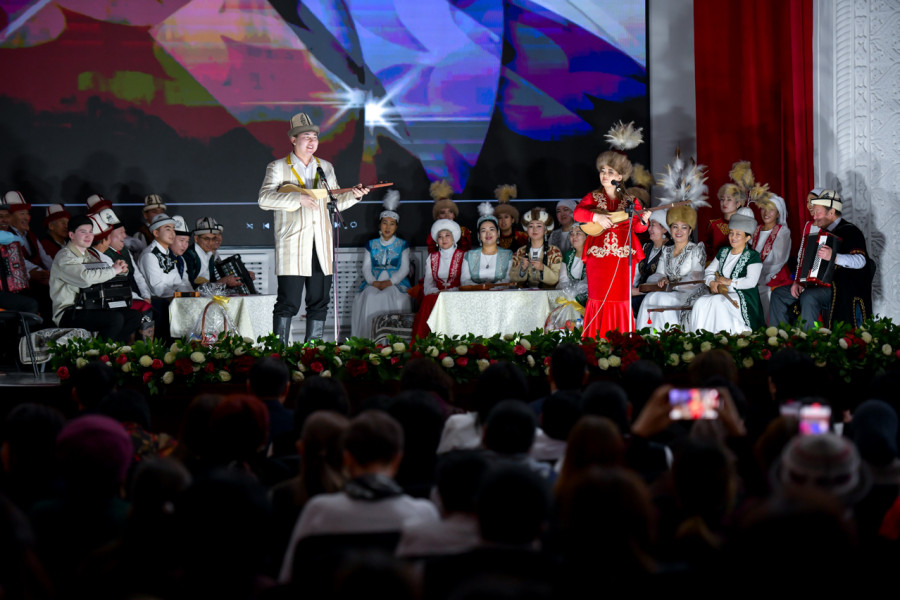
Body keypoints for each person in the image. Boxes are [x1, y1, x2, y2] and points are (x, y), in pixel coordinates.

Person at [279, 410, 440, 582]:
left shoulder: (318, 511)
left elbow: (288, 578)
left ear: (347, 459)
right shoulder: (423, 514)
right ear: (397, 459)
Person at [258, 111, 370, 344]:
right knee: (288, 302)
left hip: (321, 244)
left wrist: (355, 195)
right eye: (306, 137)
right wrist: (297, 199)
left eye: (315, 137)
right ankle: (278, 351)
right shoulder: (278, 166)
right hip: (293, 244)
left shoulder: (325, 167)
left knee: (319, 301)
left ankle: (314, 351)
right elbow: (264, 199)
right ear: (293, 140)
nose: (312, 142)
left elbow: (334, 202)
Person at [573, 122, 650, 340]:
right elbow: (577, 214)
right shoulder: (593, 197)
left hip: (622, 258)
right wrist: (595, 217)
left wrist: (644, 220)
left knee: (620, 299)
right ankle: (595, 340)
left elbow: (638, 228)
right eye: (603, 171)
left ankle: (621, 341)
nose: (605, 175)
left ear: (621, 176)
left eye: (610, 171)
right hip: (599, 258)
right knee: (598, 298)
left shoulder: (631, 200)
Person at [768, 190, 874, 329]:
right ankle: (778, 337)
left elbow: (861, 261)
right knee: (779, 294)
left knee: (809, 297)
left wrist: (834, 257)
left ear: (831, 212)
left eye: (818, 212)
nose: (814, 216)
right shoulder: (822, 233)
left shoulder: (851, 231)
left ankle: (810, 339)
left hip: (840, 287)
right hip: (817, 285)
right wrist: (800, 282)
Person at [49, 215, 142, 342]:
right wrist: (113, 270)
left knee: (134, 316)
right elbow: (85, 279)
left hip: (91, 307)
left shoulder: (90, 257)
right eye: (83, 232)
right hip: (69, 311)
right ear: (71, 235)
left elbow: (104, 276)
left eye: (91, 232)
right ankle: (100, 352)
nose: (88, 236)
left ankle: (113, 349)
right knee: (115, 319)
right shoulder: (65, 257)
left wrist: (120, 270)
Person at [689, 208, 764, 334]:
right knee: (700, 302)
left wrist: (729, 282)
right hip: (722, 293)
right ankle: (701, 338)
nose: (733, 237)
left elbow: (751, 282)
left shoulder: (753, 256)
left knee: (718, 302)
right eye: (731, 233)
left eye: (738, 234)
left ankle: (725, 338)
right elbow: (708, 271)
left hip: (744, 297)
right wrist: (712, 282)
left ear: (747, 238)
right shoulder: (723, 251)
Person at [635, 204, 706, 332]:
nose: (679, 231)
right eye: (675, 227)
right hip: (670, 292)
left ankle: (671, 337)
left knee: (662, 299)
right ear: (670, 229)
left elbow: (696, 279)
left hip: (689, 294)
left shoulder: (696, 250)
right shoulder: (666, 251)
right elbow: (658, 274)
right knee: (650, 298)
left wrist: (672, 286)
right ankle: (646, 337)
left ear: (690, 231)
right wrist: (661, 279)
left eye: (684, 227)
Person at [351, 191, 412, 339]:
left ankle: (389, 340)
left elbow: (404, 269)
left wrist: (390, 282)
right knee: (370, 295)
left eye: (392, 224)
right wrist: (374, 282)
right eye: (385, 223)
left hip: (395, 283)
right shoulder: (371, 244)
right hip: (374, 281)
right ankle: (369, 339)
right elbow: (366, 267)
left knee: (388, 295)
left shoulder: (402, 244)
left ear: (396, 227)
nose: (388, 227)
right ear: (379, 225)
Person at [412, 219, 465, 340]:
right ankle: (426, 341)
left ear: (454, 237)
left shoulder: (463, 255)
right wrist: (437, 291)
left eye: (447, 235)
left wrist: (450, 292)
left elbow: (465, 282)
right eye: (440, 237)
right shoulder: (432, 257)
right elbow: (428, 284)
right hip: (436, 295)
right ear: (437, 241)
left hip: (456, 294)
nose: (444, 239)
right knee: (428, 300)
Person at [750, 193, 791, 322]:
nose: (766, 213)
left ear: (778, 213)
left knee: (765, 294)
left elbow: (777, 261)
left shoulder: (782, 231)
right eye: (763, 208)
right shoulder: (756, 230)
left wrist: (757, 276)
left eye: (771, 209)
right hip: (756, 276)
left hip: (774, 278)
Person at [703, 161, 754, 261]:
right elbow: (707, 251)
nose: (724, 203)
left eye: (729, 199)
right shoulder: (713, 225)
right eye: (722, 199)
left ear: (738, 203)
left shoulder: (743, 224)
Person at [138, 214, 193, 299]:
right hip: (157, 302)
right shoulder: (150, 255)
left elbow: (178, 283)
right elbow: (158, 289)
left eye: (173, 229)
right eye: (168, 229)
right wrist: (182, 297)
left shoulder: (168, 254)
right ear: (156, 233)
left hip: (172, 298)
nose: (172, 233)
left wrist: (192, 296)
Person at [182, 217, 246, 290]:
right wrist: (220, 283)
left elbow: (213, 283)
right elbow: (188, 287)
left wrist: (241, 276)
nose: (211, 243)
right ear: (196, 238)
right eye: (206, 239)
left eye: (213, 239)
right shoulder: (188, 255)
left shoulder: (210, 255)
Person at [460, 203, 513, 287]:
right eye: (483, 230)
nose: (488, 233)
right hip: (475, 294)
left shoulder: (508, 254)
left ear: (498, 233)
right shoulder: (469, 255)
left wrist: (492, 287)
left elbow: (508, 280)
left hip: (501, 293)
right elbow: (464, 281)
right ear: (479, 236)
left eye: (492, 229)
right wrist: (481, 287)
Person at [509, 206, 562, 289]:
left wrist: (542, 268)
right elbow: (512, 278)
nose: (534, 229)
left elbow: (556, 279)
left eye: (539, 226)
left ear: (545, 230)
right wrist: (522, 270)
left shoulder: (554, 251)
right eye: (531, 226)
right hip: (524, 294)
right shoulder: (520, 252)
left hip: (547, 293)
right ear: (527, 230)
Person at [630, 212, 671, 315]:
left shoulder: (670, 249)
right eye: (650, 225)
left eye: (653, 225)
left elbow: (666, 281)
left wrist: (637, 291)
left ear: (664, 229)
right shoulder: (646, 247)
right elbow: (635, 275)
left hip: (656, 295)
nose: (649, 229)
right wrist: (629, 289)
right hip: (638, 293)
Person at [425, 180, 471, 254]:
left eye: (450, 212)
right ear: (437, 216)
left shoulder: (463, 232)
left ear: (454, 215)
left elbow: (466, 253)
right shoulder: (433, 234)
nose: (447, 216)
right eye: (443, 212)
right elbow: (432, 255)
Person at [557, 225, 588, 307]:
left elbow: (590, 280)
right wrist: (569, 292)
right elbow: (563, 279)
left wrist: (576, 293)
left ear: (586, 236)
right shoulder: (568, 255)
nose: (574, 236)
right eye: (571, 234)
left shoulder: (592, 255)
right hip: (569, 297)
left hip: (588, 299)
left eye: (578, 233)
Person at [494, 184, 528, 252]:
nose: (503, 220)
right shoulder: (493, 237)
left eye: (506, 217)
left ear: (512, 220)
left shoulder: (522, 237)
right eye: (500, 218)